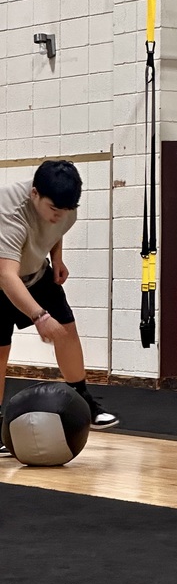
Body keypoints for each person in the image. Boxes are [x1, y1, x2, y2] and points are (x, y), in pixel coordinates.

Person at [0, 160, 119, 457]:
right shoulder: (10, 213)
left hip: (34, 272)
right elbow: (6, 276)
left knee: (67, 329)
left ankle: (83, 399)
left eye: (65, 211)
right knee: (0, 350)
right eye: (54, 209)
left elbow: (56, 228)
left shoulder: (65, 207)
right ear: (35, 194)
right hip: (3, 278)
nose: (59, 216)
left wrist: (58, 258)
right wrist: (39, 316)